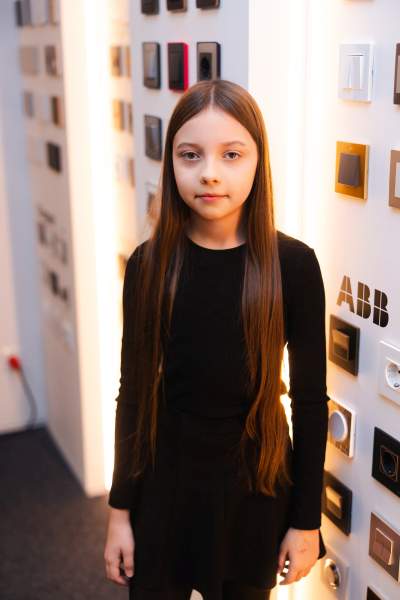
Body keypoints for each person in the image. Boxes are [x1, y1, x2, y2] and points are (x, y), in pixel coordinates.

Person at [104, 79, 329, 600]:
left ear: (257, 161)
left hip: (255, 489)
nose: (209, 172)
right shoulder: (149, 265)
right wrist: (119, 512)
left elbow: (310, 402)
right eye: (191, 155)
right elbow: (133, 395)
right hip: (166, 483)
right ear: (171, 163)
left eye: (231, 154)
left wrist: (306, 521)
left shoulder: (293, 266)